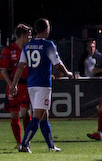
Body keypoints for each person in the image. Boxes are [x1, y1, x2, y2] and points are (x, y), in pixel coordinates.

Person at [11, 18, 73, 153]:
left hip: (31, 85)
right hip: (43, 84)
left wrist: (14, 84)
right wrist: (67, 73)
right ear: (47, 29)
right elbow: (57, 64)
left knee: (44, 115)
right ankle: (24, 144)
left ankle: (51, 146)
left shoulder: (28, 45)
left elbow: (21, 66)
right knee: (38, 116)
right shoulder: (48, 45)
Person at [1, 24, 32, 149]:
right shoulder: (8, 50)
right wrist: (11, 85)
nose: (30, 38)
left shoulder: (30, 49)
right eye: (29, 35)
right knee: (14, 114)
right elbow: (4, 70)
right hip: (13, 85)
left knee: (25, 112)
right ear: (23, 36)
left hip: (26, 85)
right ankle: (19, 142)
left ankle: (26, 141)